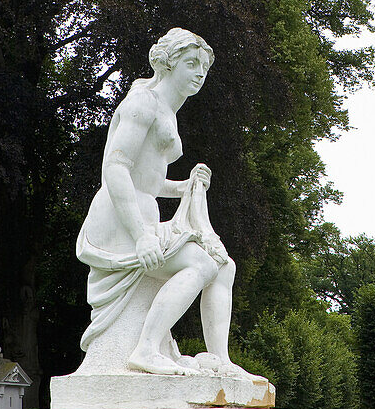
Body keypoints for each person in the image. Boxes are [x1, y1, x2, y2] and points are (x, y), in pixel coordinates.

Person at [77, 28, 254, 378]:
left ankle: (221, 361)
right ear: (168, 64)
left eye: (203, 67)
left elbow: (150, 182)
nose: (200, 73)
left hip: (141, 210)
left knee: (223, 266)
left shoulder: (168, 112)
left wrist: (186, 186)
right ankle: (146, 349)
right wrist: (142, 235)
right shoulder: (143, 102)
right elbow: (114, 167)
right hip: (118, 220)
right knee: (201, 265)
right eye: (191, 64)